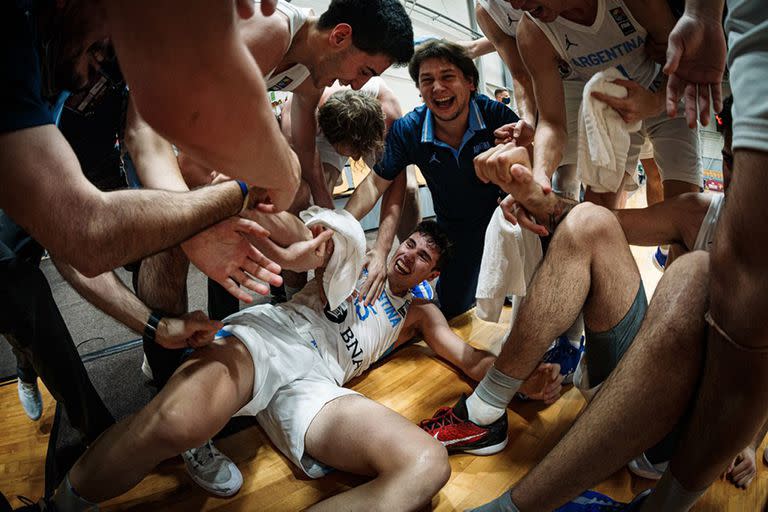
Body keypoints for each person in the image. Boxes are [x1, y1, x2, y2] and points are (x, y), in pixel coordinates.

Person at [19, 219, 556, 511]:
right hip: (276, 337)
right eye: (409, 244)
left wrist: (519, 384)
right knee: (173, 422)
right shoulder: (360, 253)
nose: (407, 255)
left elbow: (468, 357)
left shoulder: (419, 312)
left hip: (322, 385)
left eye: (422, 258)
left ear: (428, 276)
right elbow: (310, 243)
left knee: (426, 466)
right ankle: (57, 507)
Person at [446, 92, 763, 510]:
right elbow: (573, 213)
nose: (738, 180)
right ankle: (485, 411)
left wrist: (748, 442)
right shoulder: (705, 211)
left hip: (695, 437)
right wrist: (533, 196)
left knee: (694, 273)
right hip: (632, 391)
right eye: (728, 160)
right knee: (589, 220)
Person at [0, 0, 301, 282]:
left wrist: (154, 325)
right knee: (18, 276)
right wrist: (271, 179)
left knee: (25, 284)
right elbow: (85, 234)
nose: (105, 53)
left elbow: (144, 134)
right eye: (98, 48)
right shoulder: (18, 34)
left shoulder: (69, 40)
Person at [344, 39, 534, 319]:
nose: (437, 88)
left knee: (534, 296)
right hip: (455, 230)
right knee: (453, 310)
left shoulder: (495, 114)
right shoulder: (409, 129)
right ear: (420, 90)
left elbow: (532, 161)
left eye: (447, 77)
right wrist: (339, 225)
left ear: (470, 82)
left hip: (506, 220)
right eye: (427, 80)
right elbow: (375, 183)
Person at [504, 0, 701, 214]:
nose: (516, 5)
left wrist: (654, 102)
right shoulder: (532, 32)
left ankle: (666, 248)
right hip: (612, 109)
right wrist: (540, 175)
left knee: (685, 208)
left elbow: (683, 59)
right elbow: (552, 122)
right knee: (595, 210)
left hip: (666, 91)